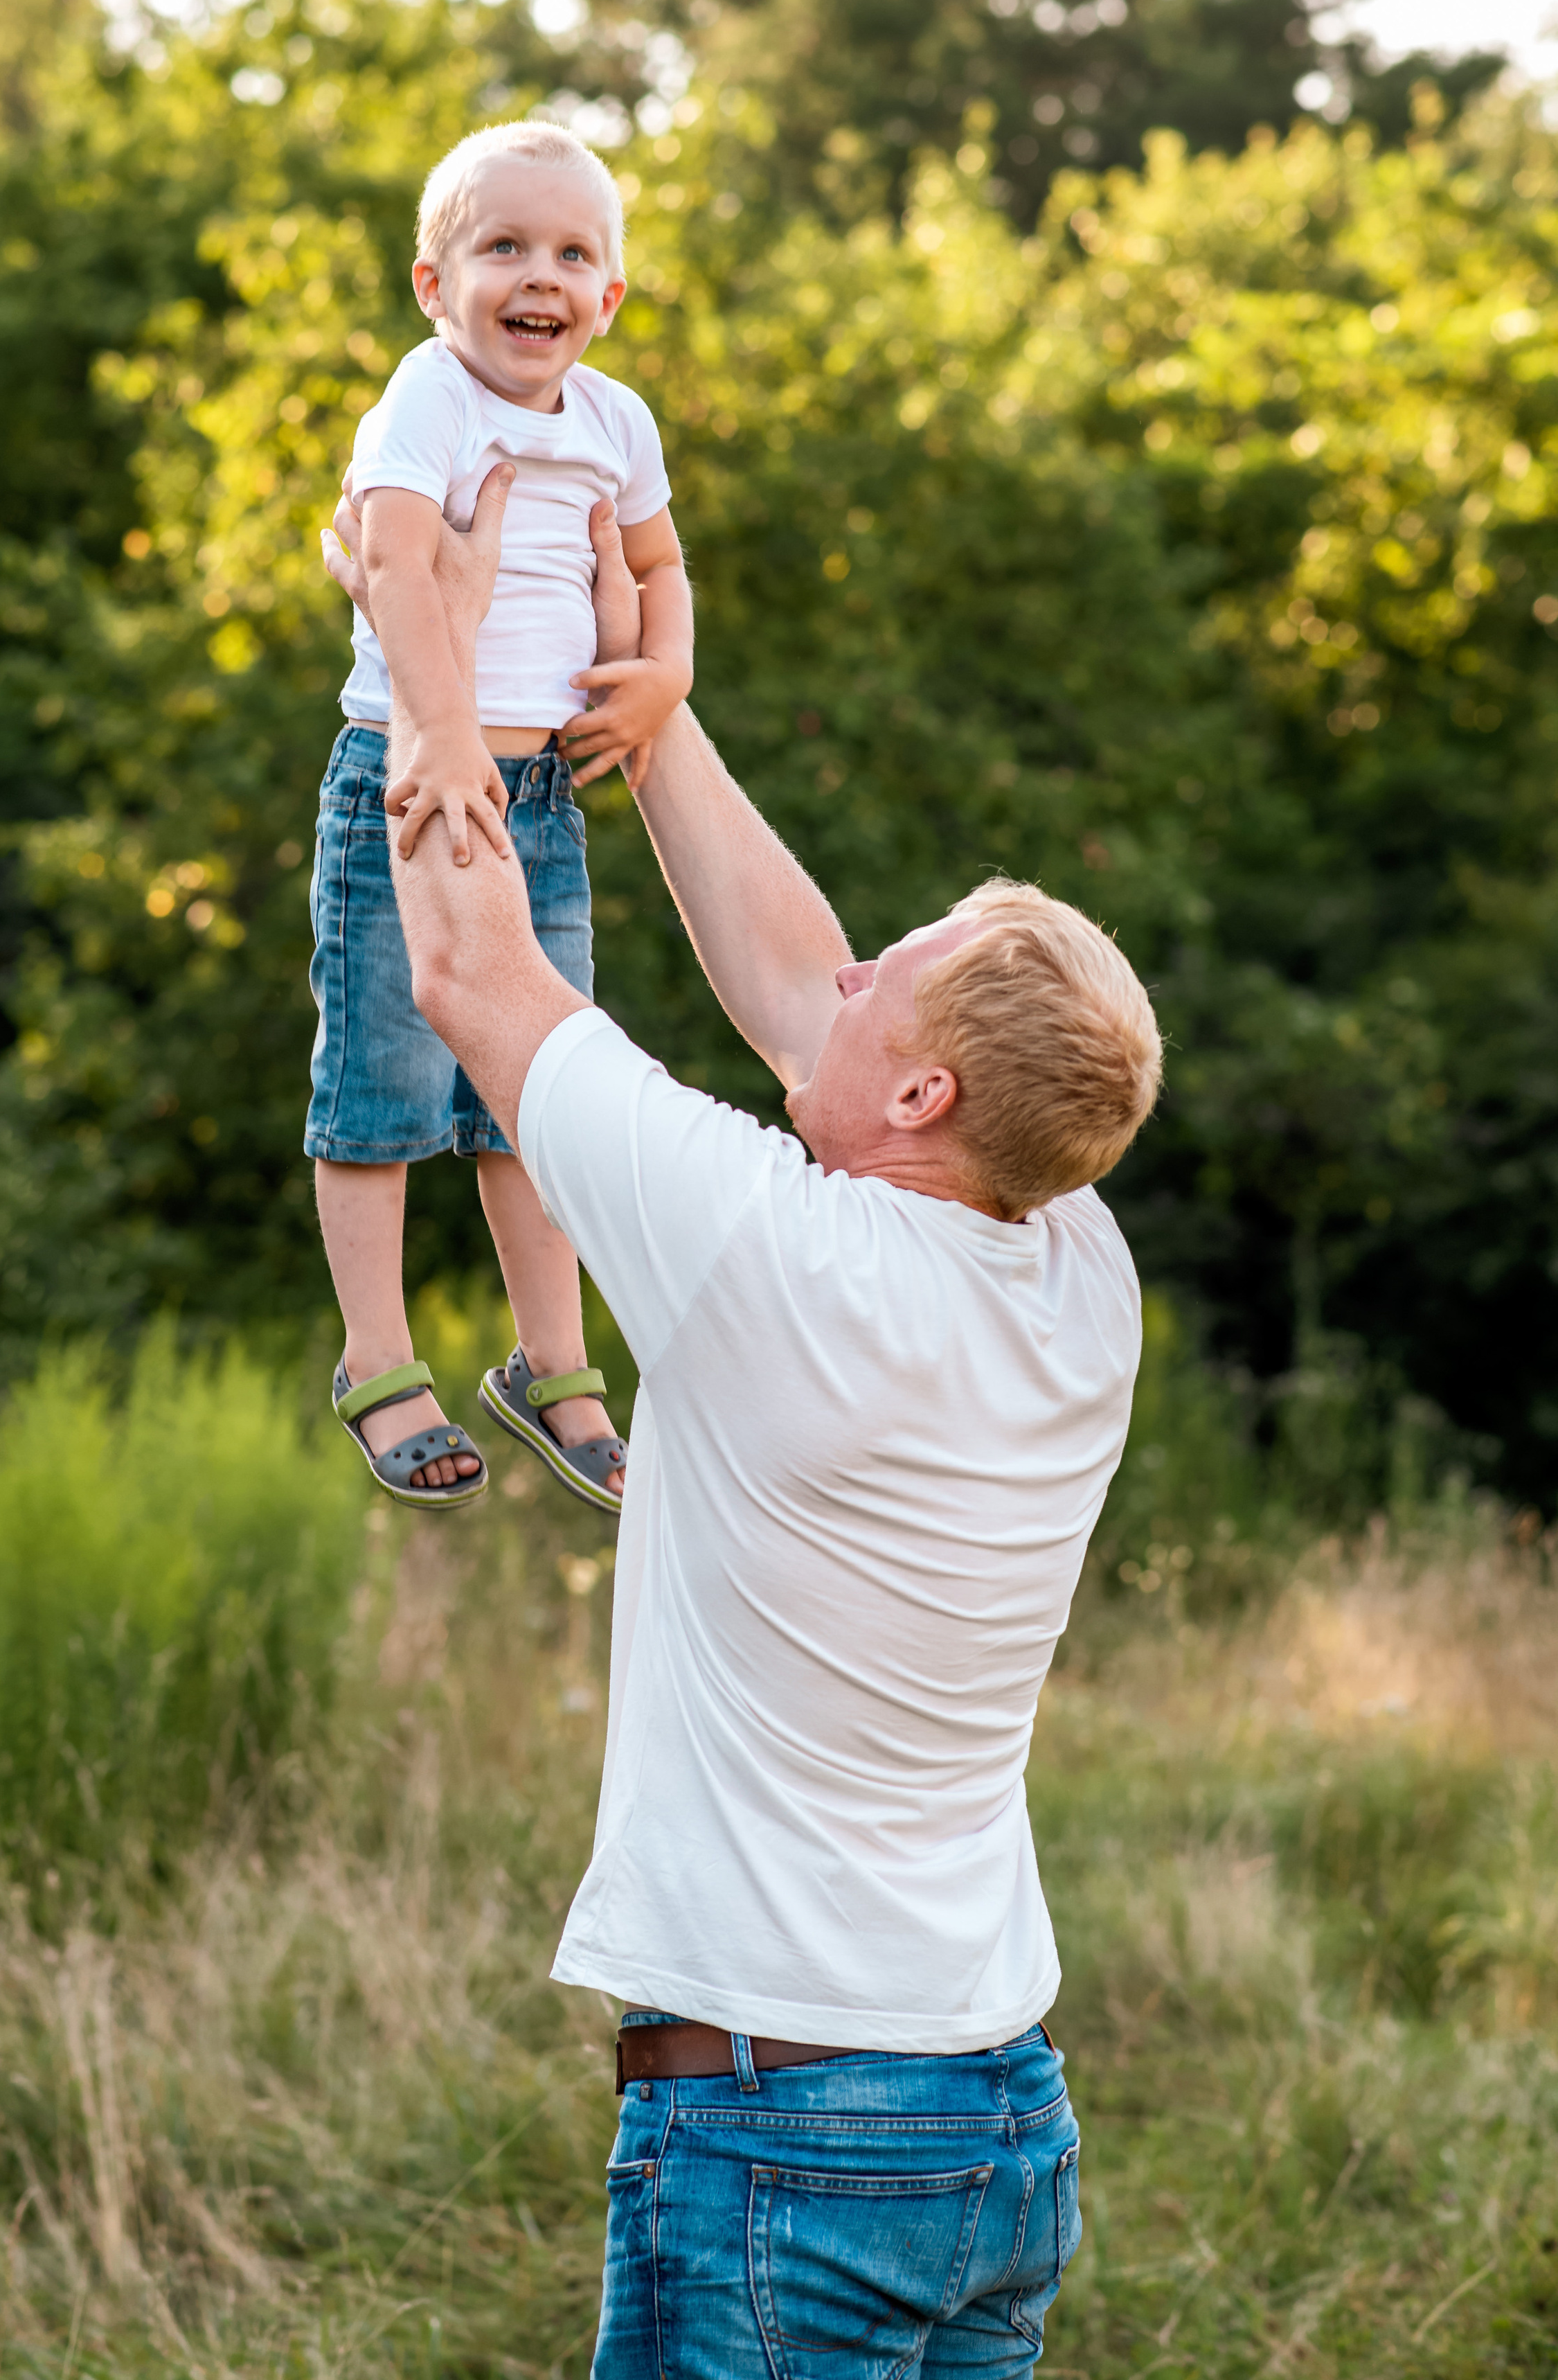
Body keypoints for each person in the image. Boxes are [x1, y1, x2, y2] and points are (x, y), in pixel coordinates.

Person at [320, 468, 1162, 2374]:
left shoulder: (773, 1255)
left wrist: (423, 648)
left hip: (787, 2141)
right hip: (993, 2128)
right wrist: (659, 716)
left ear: (932, 1095)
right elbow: (812, 1005)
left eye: (898, 974)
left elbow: (465, 966)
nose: (851, 970)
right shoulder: (1072, 1256)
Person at [312, 121, 693, 1511]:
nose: (540, 276)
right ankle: (376, 1359)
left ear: (608, 297)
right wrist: (450, 732)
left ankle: (550, 1362)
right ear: (434, 283)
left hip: (541, 798)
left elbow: (656, 564)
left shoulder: (616, 422)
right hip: (412, 778)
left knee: (541, 1100)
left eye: (572, 253)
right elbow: (397, 572)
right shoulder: (425, 400)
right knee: (382, 1089)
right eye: (503, 247)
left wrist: (666, 674)